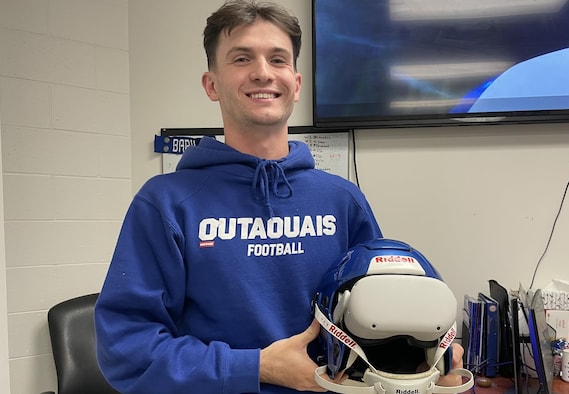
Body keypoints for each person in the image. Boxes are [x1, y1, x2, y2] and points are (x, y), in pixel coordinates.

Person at [94, 1, 462, 393]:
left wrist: (429, 353)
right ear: (211, 84)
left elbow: (380, 313)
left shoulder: (342, 200)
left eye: (278, 59)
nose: (262, 73)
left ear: (296, 83)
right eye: (241, 58)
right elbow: (126, 349)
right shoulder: (165, 204)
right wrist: (256, 367)